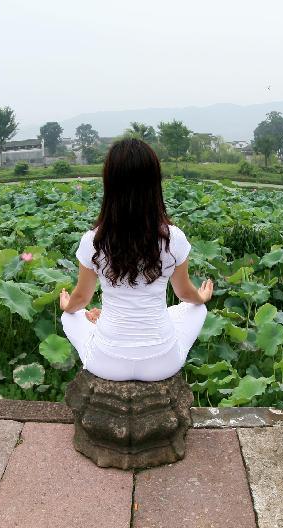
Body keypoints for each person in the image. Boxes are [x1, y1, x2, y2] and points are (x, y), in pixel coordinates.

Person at [59, 138, 213, 382]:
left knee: (70, 315)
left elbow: (82, 298)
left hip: (107, 363)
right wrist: (201, 298)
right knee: (195, 309)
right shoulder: (173, 238)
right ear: (154, 183)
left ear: (109, 183)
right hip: (162, 363)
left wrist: (68, 306)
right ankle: (107, 320)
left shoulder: (93, 240)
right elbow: (185, 294)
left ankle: (102, 321)